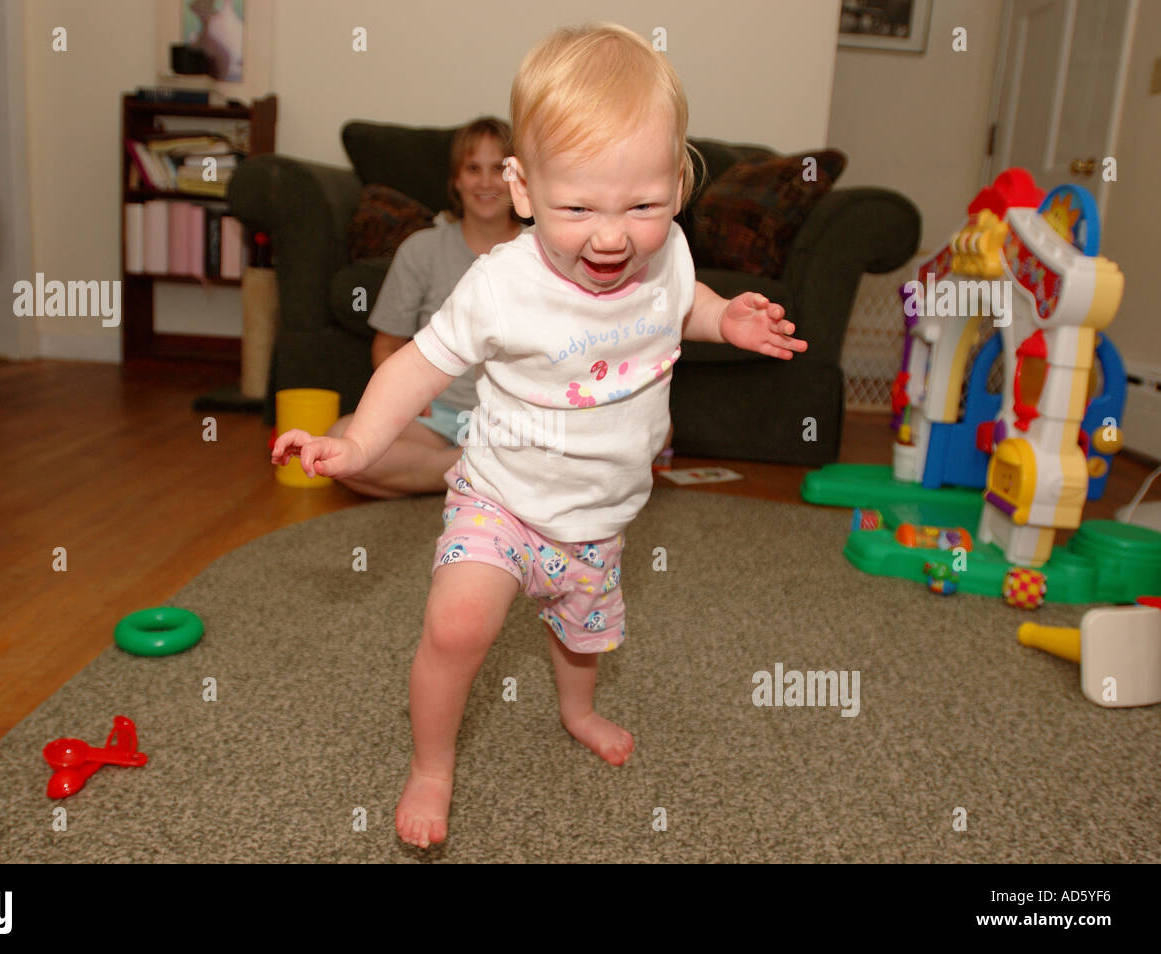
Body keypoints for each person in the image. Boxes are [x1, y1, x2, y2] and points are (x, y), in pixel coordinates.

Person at [272, 22, 807, 849]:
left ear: (677, 183)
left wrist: (723, 318)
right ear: (523, 189)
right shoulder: (502, 286)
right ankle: (432, 764)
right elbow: (415, 364)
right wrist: (358, 445)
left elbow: (681, 308)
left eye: (643, 205)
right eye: (578, 207)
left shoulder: (668, 260)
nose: (611, 235)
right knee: (456, 627)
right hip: (503, 500)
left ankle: (577, 711)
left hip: (600, 518)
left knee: (581, 634)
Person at [323, 118, 524, 499]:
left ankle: (461, 474)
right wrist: (409, 397)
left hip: (516, 423)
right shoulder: (421, 249)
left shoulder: (542, 251)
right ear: (456, 180)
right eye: (472, 169)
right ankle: (478, 472)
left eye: (498, 169)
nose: (485, 182)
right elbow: (386, 345)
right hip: (440, 419)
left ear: (518, 178)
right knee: (340, 445)